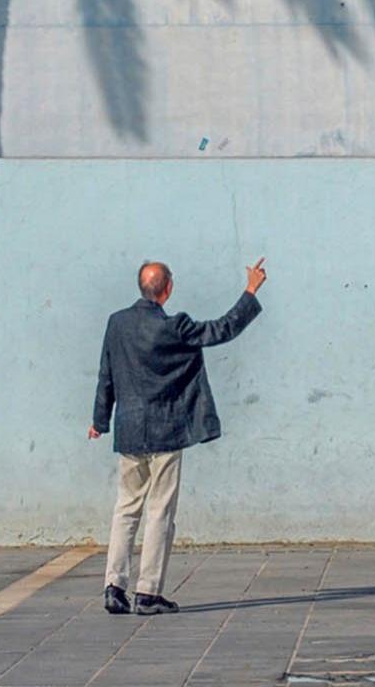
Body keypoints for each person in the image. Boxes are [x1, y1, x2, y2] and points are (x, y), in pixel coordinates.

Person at [89, 258, 266, 615]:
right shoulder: (175, 327)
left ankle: (114, 586)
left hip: (129, 430)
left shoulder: (117, 323)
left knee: (126, 509)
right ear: (168, 289)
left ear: (142, 287)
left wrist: (100, 420)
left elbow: (106, 373)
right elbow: (222, 330)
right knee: (159, 512)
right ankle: (148, 592)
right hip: (165, 430)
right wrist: (250, 290)